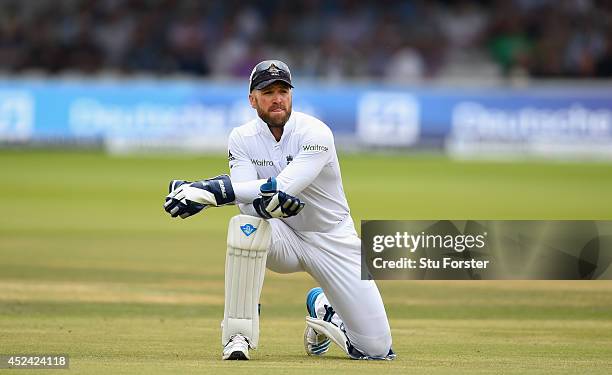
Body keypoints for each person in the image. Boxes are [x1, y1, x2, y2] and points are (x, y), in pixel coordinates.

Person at [164, 60, 394, 361]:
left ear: (291, 95)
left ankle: (325, 309)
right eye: (268, 91)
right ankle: (237, 335)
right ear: (252, 99)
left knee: (375, 350)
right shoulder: (242, 138)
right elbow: (248, 199)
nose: (277, 98)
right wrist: (255, 201)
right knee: (245, 225)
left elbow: (284, 185)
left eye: (283, 90)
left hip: (333, 238)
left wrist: (210, 190)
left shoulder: (316, 134)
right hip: (283, 236)